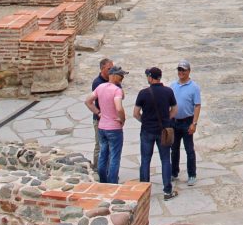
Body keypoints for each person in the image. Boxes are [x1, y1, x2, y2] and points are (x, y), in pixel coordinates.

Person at [133, 67, 178, 200]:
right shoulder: (168, 92)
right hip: (163, 131)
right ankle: (167, 191)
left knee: (145, 160)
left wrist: (144, 121)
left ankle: (143, 192)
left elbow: (135, 113)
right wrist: (166, 120)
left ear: (151, 77)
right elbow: (174, 110)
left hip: (147, 130)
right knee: (165, 160)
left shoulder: (143, 93)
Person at [85, 65, 127, 184]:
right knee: (114, 156)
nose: (122, 79)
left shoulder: (100, 87)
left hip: (102, 126)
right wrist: (122, 119)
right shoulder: (116, 90)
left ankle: (103, 180)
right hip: (114, 128)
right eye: (120, 76)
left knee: (103, 154)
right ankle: (112, 183)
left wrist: (98, 112)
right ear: (113, 76)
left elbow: (88, 101)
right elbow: (119, 107)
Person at [169, 60, 201, 187]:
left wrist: (194, 123)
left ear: (189, 71)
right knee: (174, 149)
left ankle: (192, 174)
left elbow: (197, 106)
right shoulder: (173, 85)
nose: (181, 72)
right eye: (179, 70)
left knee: (189, 149)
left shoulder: (194, 87)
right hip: (174, 122)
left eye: (183, 70)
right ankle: (174, 172)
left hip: (187, 121)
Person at [91, 57, 114, 169]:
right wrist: (99, 113)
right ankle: (96, 169)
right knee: (99, 145)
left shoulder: (113, 80)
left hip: (110, 119)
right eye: (109, 68)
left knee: (110, 146)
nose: (111, 71)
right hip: (100, 119)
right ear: (102, 69)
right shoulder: (97, 83)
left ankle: (108, 169)